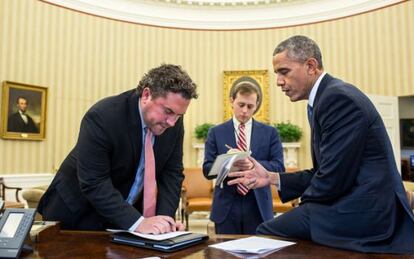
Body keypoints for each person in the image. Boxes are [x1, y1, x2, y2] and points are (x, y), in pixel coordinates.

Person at [228, 35, 414, 253]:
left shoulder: (338, 99)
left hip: (366, 211)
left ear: (310, 66)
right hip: (352, 203)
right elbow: (324, 172)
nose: (278, 81)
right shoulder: (325, 98)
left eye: (284, 72)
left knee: (266, 232)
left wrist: (303, 205)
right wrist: (269, 177)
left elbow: (333, 178)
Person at [38, 64, 198, 234]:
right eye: (168, 111)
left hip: (122, 218)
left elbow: (172, 173)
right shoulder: (103, 116)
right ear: (146, 95)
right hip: (75, 214)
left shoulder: (173, 123)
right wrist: (138, 223)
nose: (172, 122)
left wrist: (164, 222)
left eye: (179, 115)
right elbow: (95, 182)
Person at [203, 81, 284, 234]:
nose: (245, 111)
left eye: (250, 106)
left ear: (256, 105)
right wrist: (226, 161)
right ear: (231, 101)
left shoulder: (270, 132)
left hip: (258, 205)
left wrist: (253, 165)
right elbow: (207, 170)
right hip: (226, 206)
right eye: (241, 105)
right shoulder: (216, 132)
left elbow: (279, 167)